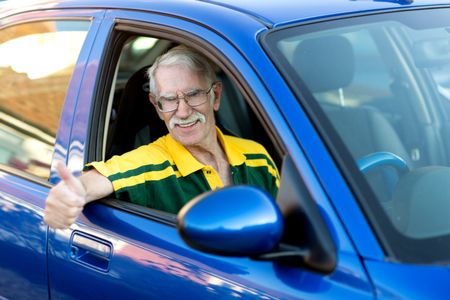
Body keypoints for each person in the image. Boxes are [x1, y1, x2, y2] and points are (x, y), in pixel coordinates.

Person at [44, 46, 280, 229]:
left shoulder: (257, 155)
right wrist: (67, 195)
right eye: (169, 100)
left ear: (215, 96)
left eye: (193, 94)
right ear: (156, 106)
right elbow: (92, 182)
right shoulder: (150, 163)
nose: (183, 111)